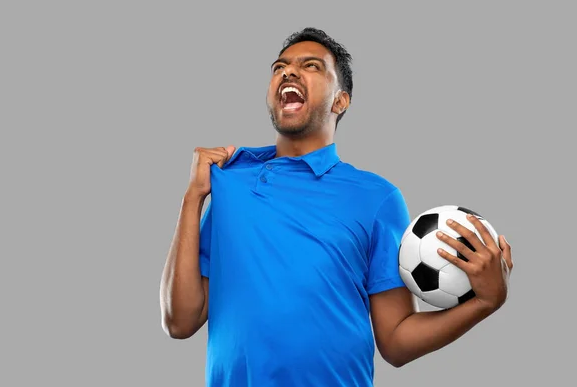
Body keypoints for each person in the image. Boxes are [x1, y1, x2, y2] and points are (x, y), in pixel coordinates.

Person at [159, 27, 513, 386]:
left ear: (340, 101)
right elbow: (179, 321)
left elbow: (396, 341)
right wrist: (193, 197)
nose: (289, 72)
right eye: (280, 66)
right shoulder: (229, 184)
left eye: (311, 66)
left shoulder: (377, 198)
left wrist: (483, 303)